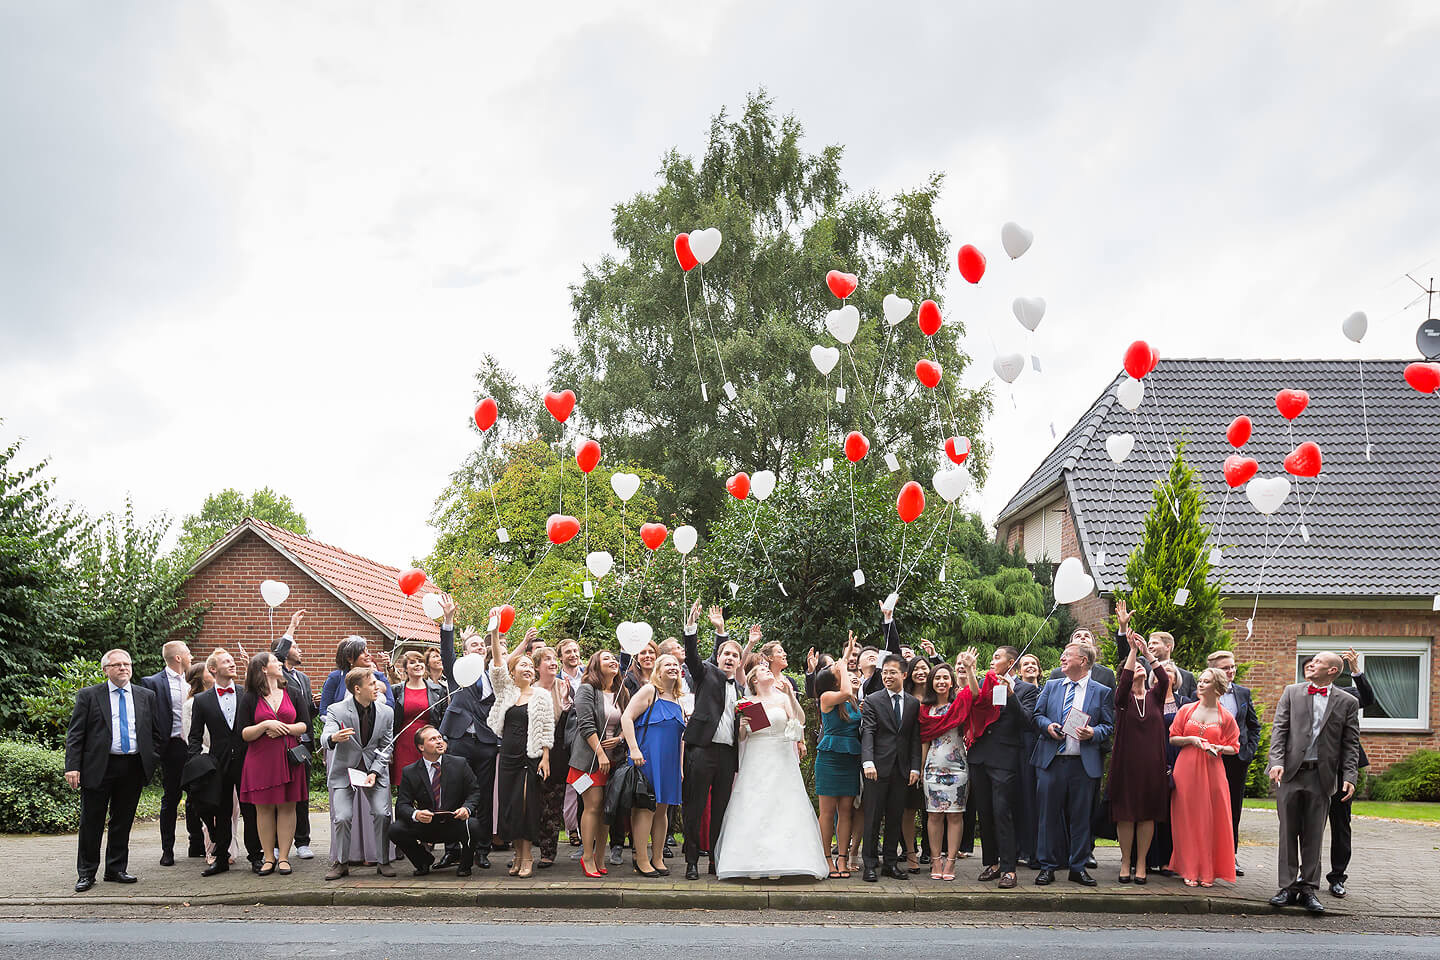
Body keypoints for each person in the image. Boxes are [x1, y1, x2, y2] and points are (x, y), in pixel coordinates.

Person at [714, 661, 828, 880]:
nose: (769, 671)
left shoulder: (783, 698)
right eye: (764, 670)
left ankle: (782, 860)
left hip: (781, 756)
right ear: (754, 680)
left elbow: (800, 721)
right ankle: (752, 862)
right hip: (756, 756)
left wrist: (791, 696)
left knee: (782, 804)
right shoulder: (745, 702)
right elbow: (742, 738)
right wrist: (742, 726)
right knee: (755, 804)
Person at [1267, 651, 1361, 914]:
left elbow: (1350, 744)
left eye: (1318, 661)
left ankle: (1308, 888)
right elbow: (1279, 730)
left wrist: (1350, 776)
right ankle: (1286, 887)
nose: (1311, 664)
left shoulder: (1347, 701)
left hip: (1322, 777)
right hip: (1290, 773)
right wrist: (1276, 761)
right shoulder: (1292, 692)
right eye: (1312, 661)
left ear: (1332, 670)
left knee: (1314, 835)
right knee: (1288, 832)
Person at [65, 648, 166, 892]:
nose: (123, 668)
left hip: (132, 765)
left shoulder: (145, 695)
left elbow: (155, 732)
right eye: (117, 664)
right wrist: (72, 767)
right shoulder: (89, 695)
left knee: (122, 820)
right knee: (92, 822)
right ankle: (87, 873)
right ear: (105, 670)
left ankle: (116, 868)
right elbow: (75, 734)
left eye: (127, 664)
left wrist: (150, 758)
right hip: (99, 766)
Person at [1031, 641, 1114, 887]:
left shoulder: (1101, 691)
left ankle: (1078, 867)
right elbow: (1036, 715)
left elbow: (1109, 726)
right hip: (1051, 761)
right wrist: (1047, 726)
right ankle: (1047, 866)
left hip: (1083, 764)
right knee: (1047, 817)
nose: (1062, 659)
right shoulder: (1052, 685)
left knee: (1081, 818)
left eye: (1067, 655)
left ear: (1084, 661)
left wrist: (1093, 732)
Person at [680, 601, 749, 880]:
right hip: (701, 750)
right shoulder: (706, 674)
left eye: (735, 654)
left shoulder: (742, 689)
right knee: (694, 808)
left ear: (739, 661)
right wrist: (692, 627)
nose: (730, 657)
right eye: (726, 653)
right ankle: (692, 861)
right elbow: (693, 657)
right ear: (718, 658)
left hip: (726, 755)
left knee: (721, 809)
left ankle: (716, 860)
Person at [965, 644, 1039, 889]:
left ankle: (1009, 868)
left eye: (997, 657)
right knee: (984, 811)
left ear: (1010, 663)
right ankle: (992, 863)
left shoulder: (1026, 689)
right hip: (980, 755)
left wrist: (1011, 695)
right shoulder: (986, 683)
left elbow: (1028, 722)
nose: (992, 660)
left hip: (1005, 758)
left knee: (1002, 811)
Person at [488, 624, 555, 878]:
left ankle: (528, 858)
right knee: (510, 808)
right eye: (522, 665)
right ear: (512, 671)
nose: (527, 669)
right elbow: (496, 662)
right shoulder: (506, 691)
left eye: (530, 666)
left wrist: (546, 757)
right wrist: (495, 633)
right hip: (507, 757)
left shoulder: (541, 695)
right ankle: (516, 856)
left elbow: (548, 727)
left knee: (526, 808)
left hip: (531, 757)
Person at [437, 597, 498, 870]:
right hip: (458, 740)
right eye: (473, 644)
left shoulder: (494, 676)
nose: (479, 647)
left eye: (482, 645)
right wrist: (448, 621)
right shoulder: (456, 671)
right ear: (464, 651)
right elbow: (446, 651)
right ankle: (451, 849)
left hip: (485, 743)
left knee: (482, 796)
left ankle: (481, 850)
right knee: (452, 794)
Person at [318, 668, 395, 879]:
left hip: (374, 771)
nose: (377, 687)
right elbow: (325, 737)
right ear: (357, 689)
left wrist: (375, 771)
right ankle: (341, 864)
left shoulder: (386, 711)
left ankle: (383, 861)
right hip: (344, 771)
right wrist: (334, 738)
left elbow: (387, 747)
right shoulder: (337, 710)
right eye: (372, 684)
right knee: (342, 817)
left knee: (382, 813)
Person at [237, 652, 309, 876]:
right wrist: (265, 724)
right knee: (264, 809)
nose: (279, 663)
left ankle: (285, 858)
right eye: (274, 662)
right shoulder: (249, 697)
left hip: (289, 759)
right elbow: (244, 733)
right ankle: (269, 857)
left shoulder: (294, 693)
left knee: (288, 807)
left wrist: (283, 728)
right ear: (263, 669)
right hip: (260, 760)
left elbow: (305, 725)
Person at [1167, 665, 1239, 887]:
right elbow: (1173, 737)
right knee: (1186, 819)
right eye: (1200, 680)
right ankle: (1189, 868)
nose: (1200, 684)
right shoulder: (1187, 710)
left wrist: (1217, 747)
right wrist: (1191, 740)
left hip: (1212, 770)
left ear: (1217, 688)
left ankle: (1208, 870)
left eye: (1206, 681)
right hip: (1186, 769)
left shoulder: (1225, 717)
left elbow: (1234, 746)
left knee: (1211, 819)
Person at [1109, 630, 1171, 884]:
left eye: (1143, 667)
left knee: (1147, 815)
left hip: (1152, 768)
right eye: (1136, 668)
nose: (1141, 669)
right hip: (1126, 767)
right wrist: (1132, 650)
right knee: (1126, 815)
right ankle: (1126, 862)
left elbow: (1165, 680)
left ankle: (1142, 863)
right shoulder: (1122, 700)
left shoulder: (1156, 698)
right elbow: (1123, 684)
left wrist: (1147, 653)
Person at [622, 652, 687, 877]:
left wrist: (680, 768)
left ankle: (657, 857)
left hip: (669, 764)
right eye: (667, 664)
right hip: (647, 758)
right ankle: (641, 858)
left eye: (676, 664)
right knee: (645, 809)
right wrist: (634, 749)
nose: (673, 667)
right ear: (658, 671)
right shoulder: (650, 691)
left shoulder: (678, 700)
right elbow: (626, 718)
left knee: (663, 810)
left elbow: (680, 740)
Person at [141, 640, 204, 865]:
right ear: (178, 657)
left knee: (197, 796)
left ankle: (195, 843)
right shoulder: (152, 683)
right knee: (171, 798)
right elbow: (147, 718)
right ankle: (167, 850)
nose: (191, 656)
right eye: (188, 653)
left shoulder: (195, 680)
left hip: (195, 747)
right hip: (172, 747)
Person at [859, 653, 922, 882]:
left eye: (892, 672)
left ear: (904, 675)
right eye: (884, 672)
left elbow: (914, 738)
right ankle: (870, 865)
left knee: (895, 817)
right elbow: (868, 732)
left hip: (902, 769)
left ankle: (891, 864)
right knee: (873, 817)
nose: (887, 676)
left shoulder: (913, 703)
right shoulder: (874, 700)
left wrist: (915, 767)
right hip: (876, 767)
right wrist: (868, 761)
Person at [390, 726, 485, 876]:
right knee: (395, 829)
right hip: (426, 824)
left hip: (454, 822)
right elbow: (402, 805)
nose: (439, 742)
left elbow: (474, 792)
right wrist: (416, 814)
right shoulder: (410, 771)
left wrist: (466, 808)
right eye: (433, 739)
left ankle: (465, 865)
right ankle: (423, 861)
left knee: (473, 825)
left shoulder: (459, 764)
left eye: (440, 738)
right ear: (421, 747)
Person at [187, 648, 248, 877]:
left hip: (245, 760)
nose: (232, 664)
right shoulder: (202, 701)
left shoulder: (245, 693)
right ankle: (220, 857)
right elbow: (194, 736)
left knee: (250, 810)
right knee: (221, 812)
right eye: (226, 661)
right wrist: (198, 761)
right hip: (217, 763)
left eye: (233, 661)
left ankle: (256, 856)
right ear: (213, 669)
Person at [919, 655, 979, 882]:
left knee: (955, 816)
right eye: (937, 678)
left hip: (958, 769)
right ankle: (936, 859)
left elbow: (975, 693)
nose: (941, 681)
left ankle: (951, 861)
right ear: (931, 682)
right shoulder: (925, 710)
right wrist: (921, 768)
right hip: (933, 768)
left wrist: (970, 669)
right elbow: (924, 739)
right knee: (933, 815)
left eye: (946, 677)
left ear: (952, 682)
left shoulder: (959, 703)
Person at [570, 650, 629, 877]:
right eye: (607, 658)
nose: (613, 661)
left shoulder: (621, 691)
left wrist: (621, 738)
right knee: (592, 806)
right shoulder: (586, 690)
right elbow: (585, 725)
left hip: (614, 759)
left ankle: (600, 856)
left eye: (614, 658)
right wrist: (601, 754)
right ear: (596, 665)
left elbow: (629, 720)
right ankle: (587, 856)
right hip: (590, 759)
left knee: (607, 810)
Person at [1207, 649, 1262, 877]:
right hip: (1209, 759)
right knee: (1208, 808)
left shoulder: (1243, 693)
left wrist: (1248, 751)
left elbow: (1254, 725)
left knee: (1233, 811)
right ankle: (1206, 856)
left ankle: (1231, 857)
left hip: (1236, 759)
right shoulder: (1200, 692)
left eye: (1233, 667)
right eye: (1225, 668)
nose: (1231, 671)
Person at [1325, 648, 1374, 897]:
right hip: (1314, 770)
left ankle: (1337, 877)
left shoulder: (1346, 694)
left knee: (1342, 825)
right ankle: (1305, 874)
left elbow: (1368, 699)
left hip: (1343, 770)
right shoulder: (1301, 694)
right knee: (1309, 825)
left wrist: (1357, 671)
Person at [270, 616, 318, 860]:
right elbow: (276, 655)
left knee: (302, 794)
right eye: (296, 646)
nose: (300, 650)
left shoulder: (304, 678)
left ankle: (302, 840)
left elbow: (304, 712)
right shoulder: (276, 675)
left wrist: (314, 707)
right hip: (279, 742)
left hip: (303, 743)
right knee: (280, 794)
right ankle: (278, 842)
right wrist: (291, 627)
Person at [815, 652, 862, 880]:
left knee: (846, 811)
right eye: (835, 669)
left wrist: (844, 660)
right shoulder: (826, 697)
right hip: (830, 758)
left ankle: (842, 857)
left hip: (851, 757)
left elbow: (847, 690)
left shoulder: (852, 700)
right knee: (827, 812)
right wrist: (842, 666)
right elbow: (845, 690)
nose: (840, 667)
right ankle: (825, 857)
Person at [533, 645, 570, 868]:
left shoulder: (563, 686)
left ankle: (548, 851)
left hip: (558, 752)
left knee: (552, 804)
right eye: (547, 659)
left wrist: (566, 702)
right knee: (532, 803)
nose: (553, 662)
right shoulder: (529, 688)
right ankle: (525, 851)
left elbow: (569, 721)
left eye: (554, 658)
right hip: (532, 750)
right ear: (537, 666)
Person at [391, 649, 445, 788]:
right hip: (404, 745)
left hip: (429, 745)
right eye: (412, 662)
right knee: (405, 787)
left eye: (420, 661)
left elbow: (444, 719)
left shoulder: (438, 690)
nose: (417, 665)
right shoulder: (396, 690)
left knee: (429, 785)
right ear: (405, 669)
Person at [1013, 652, 1044, 867]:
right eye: (1026, 664)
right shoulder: (1012, 690)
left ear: (1040, 670)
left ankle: (1033, 850)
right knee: (1017, 799)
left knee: (1033, 800)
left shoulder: (1046, 690)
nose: (1030, 667)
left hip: (1036, 748)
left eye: (1034, 664)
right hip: (1016, 748)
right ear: (1018, 670)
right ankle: (1016, 848)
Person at [320, 636, 395, 714]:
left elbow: (391, 704)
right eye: (362, 652)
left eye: (367, 650)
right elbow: (324, 709)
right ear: (350, 659)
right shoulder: (335, 677)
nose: (368, 654)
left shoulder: (379, 677)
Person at [1142, 631, 1197, 699]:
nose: (1150, 647)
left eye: (1155, 643)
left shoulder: (1187, 677)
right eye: (1149, 644)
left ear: (1168, 647)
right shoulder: (1143, 667)